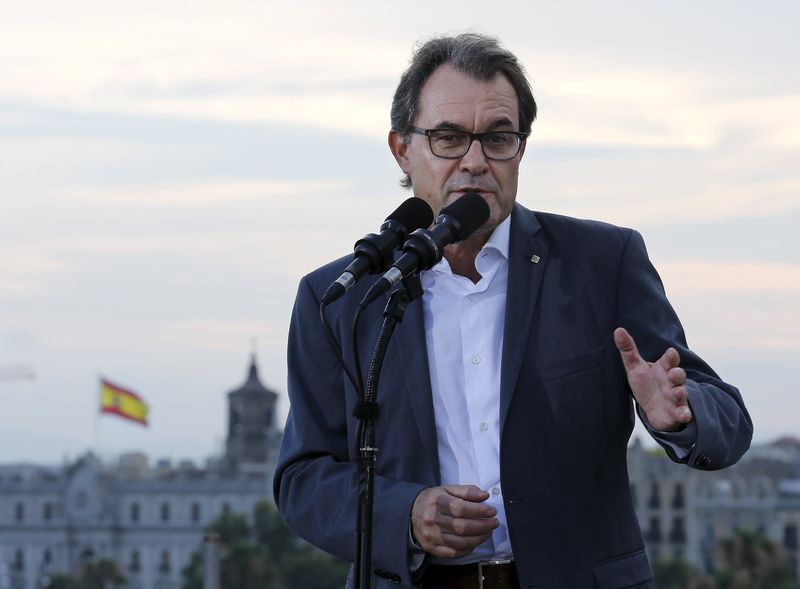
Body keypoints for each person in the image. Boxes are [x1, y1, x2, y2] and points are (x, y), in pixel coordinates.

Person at [273, 33, 752, 589]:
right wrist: (405, 514)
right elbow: (304, 478)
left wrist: (680, 412)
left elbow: (728, 419)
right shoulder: (343, 294)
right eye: (449, 138)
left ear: (520, 149)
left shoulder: (602, 262)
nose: (475, 161)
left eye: (498, 138)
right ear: (403, 149)